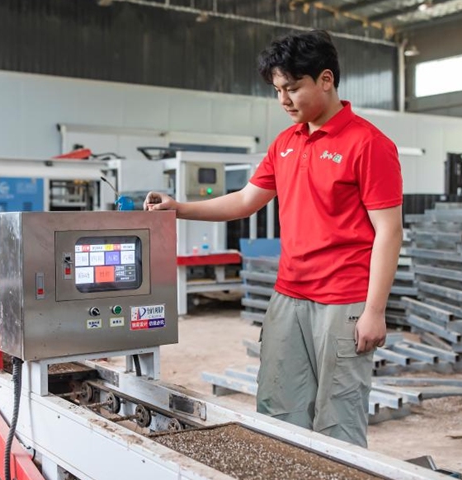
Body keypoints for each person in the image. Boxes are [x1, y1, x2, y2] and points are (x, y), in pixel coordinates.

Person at [144, 30, 402, 448]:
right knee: (278, 410)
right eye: (278, 90)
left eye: (293, 88)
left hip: (343, 300)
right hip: (289, 296)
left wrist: (374, 310)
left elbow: (390, 230)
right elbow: (246, 200)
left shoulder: (368, 144)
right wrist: (180, 207)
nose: (284, 99)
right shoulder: (285, 143)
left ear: (325, 80)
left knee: (339, 416)